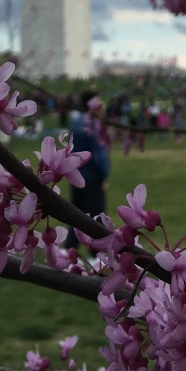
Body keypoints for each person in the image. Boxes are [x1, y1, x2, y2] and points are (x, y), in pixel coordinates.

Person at [65, 91, 110, 252]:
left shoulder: (76, 122)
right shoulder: (95, 125)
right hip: (92, 177)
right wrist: (104, 176)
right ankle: (95, 253)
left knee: (76, 215)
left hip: (75, 175)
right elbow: (99, 155)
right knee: (97, 217)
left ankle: (69, 248)